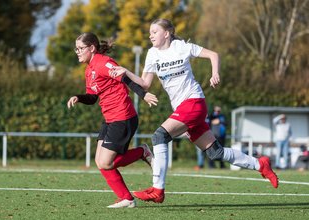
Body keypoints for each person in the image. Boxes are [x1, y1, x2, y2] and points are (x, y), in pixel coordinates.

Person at [110, 19, 279, 203]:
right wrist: (125, 71)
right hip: (184, 108)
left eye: (154, 31)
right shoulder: (152, 54)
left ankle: (158, 189)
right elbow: (145, 83)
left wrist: (215, 73)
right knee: (216, 152)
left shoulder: (182, 47)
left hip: (194, 102)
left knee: (159, 136)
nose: (150, 35)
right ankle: (259, 164)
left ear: (166, 33)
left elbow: (214, 55)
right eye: (149, 32)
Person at [67, 32, 158, 208]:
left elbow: (124, 77)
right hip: (110, 118)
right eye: (76, 49)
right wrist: (79, 97)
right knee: (100, 162)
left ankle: (142, 153)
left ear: (91, 48)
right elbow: (93, 97)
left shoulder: (102, 62)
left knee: (106, 162)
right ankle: (127, 198)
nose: (77, 52)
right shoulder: (89, 70)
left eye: (80, 48)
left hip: (123, 116)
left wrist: (144, 94)